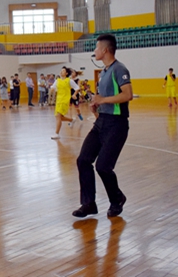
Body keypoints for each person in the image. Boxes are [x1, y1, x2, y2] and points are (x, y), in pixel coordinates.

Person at [73, 34, 133, 218]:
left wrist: (103, 100)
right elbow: (105, 101)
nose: (94, 51)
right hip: (101, 122)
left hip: (116, 125)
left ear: (105, 50)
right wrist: (96, 108)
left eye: (97, 48)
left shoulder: (119, 69)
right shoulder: (104, 72)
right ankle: (88, 204)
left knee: (103, 166)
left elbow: (128, 94)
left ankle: (117, 199)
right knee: (83, 160)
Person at [50, 67, 80, 140]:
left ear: (66, 73)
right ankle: (71, 120)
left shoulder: (69, 81)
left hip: (65, 100)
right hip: (58, 100)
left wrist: (74, 94)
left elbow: (77, 88)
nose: (61, 72)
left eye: (63, 71)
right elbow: (53, 87)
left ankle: (56, 133)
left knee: (58, 116)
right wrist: (52, 90)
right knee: (59, 117)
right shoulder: (57, 80)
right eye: (61, 70)